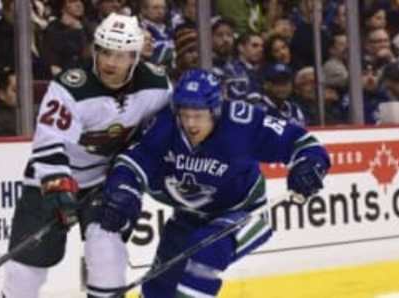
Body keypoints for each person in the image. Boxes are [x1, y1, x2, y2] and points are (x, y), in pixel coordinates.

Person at [99, 69, 330, 297]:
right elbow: (133, 162)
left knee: (206, 255)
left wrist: (309, 164)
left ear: (215, 111)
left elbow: (301, 141)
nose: (190, 124)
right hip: (187, 217)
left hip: (245, 213)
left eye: (198, 115)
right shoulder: (164, 125)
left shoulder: (242, 123)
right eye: (185, 114)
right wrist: (123, 189)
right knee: (159, 287)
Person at [0, 13, 172, 298]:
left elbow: (163, 133)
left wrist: (134, 171)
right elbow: (48, 142)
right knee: (25, 273)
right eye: (104, 51)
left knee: (108, 255)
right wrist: (58, 187)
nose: (109, 62)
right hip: (51, 180)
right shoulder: (70, 87)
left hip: (105, 180)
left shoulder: (156, 86)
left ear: (135, 56)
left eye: (119, 55)